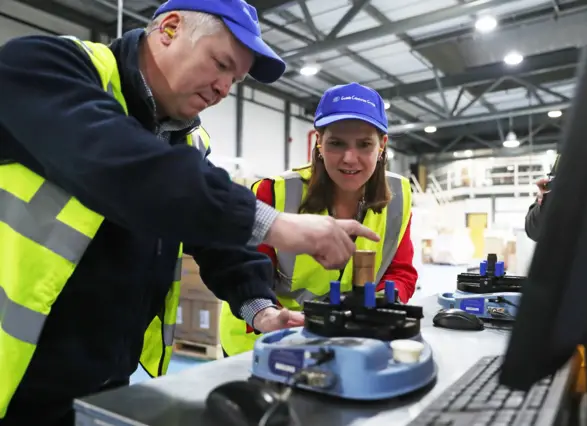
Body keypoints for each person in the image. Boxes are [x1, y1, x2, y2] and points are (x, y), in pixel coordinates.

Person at [0, 0, 379, 424]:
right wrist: (279, 224)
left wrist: (262, 309)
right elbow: (122, 166)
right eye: (220, 64)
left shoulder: (184, 141)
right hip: (14, 373)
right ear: (169, 28)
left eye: (233, 79)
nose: (223, 89)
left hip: (102, 375)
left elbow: (215, 237)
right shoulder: (44, 67)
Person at [219, 83, 419, 356]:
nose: (350, 159)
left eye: (364, 144)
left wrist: (380, 304)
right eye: (337, 143)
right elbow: (247, 272)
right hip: (267, 339)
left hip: (343, 338)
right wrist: (266, 313)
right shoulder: (275, 192)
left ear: (382, 145)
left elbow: (401, 271)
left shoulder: (399, 196)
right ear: (320, 143)